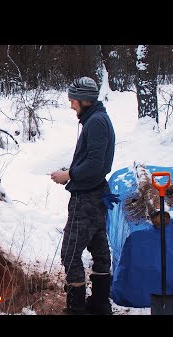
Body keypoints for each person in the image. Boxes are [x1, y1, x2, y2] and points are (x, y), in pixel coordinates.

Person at [50, 76, 119, 315]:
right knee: (98, 248)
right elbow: (93, 161)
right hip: (95, 193)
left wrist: (68, 174)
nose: (71, 105)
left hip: (87, 198)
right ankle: (100, 304)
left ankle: (76, 309)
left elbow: (96, 163)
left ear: (84, 100)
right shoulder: (96, 119)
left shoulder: (96, 122)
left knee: (70, 253)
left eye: (73, 100)